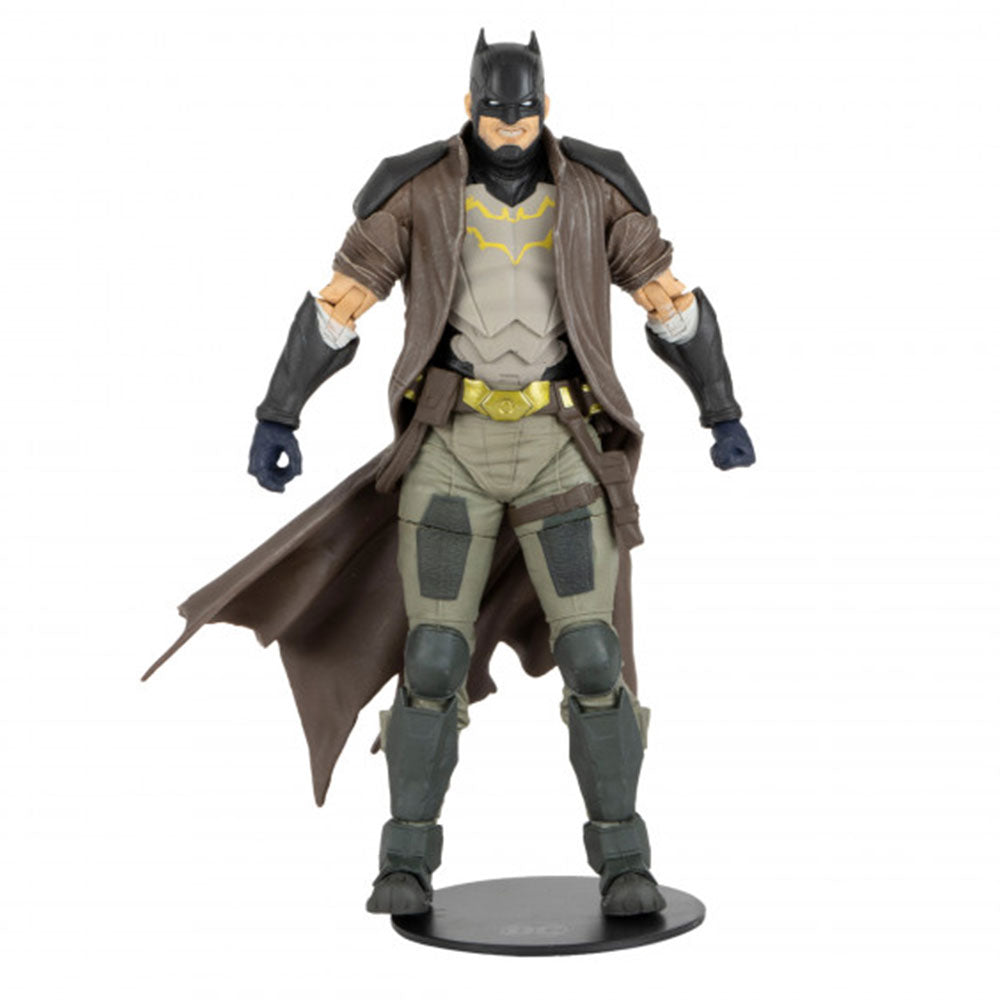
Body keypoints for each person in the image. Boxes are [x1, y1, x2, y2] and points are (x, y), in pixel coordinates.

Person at [148, 29, 755, 919]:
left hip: (559, 449)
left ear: (546, 108)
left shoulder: (595, 189)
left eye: (525, 111)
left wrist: (720, 408)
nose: (510, 126)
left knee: (595, 655)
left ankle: (625, 860)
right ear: (469, 106)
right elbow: (343, 299)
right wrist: (281, 410)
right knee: (432, 656)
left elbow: (667, 298)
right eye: (495, 110)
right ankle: (405, 862)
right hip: (452, 449)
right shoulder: (420, 190)